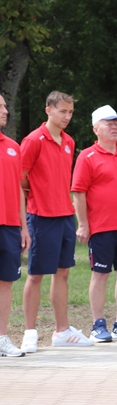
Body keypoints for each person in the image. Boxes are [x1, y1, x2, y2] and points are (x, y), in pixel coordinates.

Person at [19, 91, 92, 350]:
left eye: (70, 112)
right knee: (36, 274)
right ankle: (30, 332)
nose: (67, 117)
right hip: (41, 216)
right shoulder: (33, 140)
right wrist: (34, 197)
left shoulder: (69, 141)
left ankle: (62, 331)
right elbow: (21, 177)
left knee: (63, 273)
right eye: (63, 111)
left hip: (64, 215)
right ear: (48, 109)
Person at [72, 105, 117, 343]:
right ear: (96, 128)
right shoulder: (87, 156)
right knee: (101, 274)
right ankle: (97, 323)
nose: (114, 126)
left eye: (116, 122)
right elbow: (79, 192)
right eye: (108, 122)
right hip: (102, 226)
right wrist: (83, 224)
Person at [0, 94, 30, 357]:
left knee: (6, 282)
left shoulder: (13, 146)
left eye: (5, 106)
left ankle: (1, 338)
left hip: (9, 225)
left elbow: (20, 190)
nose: (5, 111)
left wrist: (23, 226)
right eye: (0, 107)